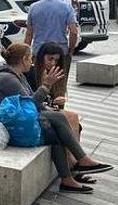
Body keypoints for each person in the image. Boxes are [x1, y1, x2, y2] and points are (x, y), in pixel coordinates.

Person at [0, 43, 112, 194]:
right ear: (24, 59)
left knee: (55, 132)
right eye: (30, 58)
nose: (31, 62)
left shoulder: (18, 75)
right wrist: (46, 86)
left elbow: (32, 106)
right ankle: (82, 160)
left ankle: (67, 180)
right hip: (10, 126)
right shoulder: (7, 78)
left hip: (19, 122)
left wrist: (49, 104)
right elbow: (31, 105)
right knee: (58, 118)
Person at [26, 42, 94, 183]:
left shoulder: (56, 73)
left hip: (49, 112)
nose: (53, 63)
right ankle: (75, 165)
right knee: (72, 118)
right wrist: (47, 92)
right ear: (41, 57)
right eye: (49, 59)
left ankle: (75, 165)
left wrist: (57, 101)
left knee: (74, 121)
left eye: (56, 60)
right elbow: (32, 103)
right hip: (34, 115)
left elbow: (53, 105)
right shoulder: (32, 73)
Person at [24, 0, 77, 96]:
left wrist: (25, 52)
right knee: (59, 85)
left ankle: (41, 108)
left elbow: (29, 34)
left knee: (38, 84)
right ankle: (58, 108)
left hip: (39, 53)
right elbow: (74, 32)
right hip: (60, 54)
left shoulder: (34, 7)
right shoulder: (66, 7)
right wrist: (70, 50)